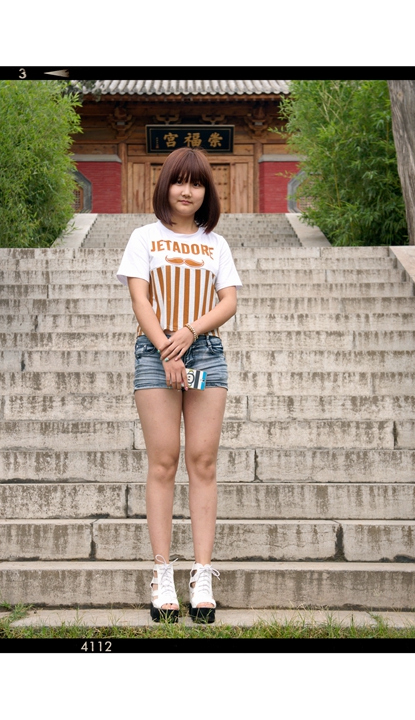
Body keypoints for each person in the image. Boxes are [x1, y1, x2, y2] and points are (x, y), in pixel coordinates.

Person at [116, 147, 242, 624]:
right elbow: (140, 299)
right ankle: (162, 575)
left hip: (205, 352)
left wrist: (189, 333)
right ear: (165, 185)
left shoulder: (216, 243)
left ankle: (202, 576)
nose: (187, 191)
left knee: (203, 461)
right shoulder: (144, 237)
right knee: (164, 461)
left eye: (197, 183)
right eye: (179, 181)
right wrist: (168, 349)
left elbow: (228, 301)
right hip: (155, 353)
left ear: (207, 191)